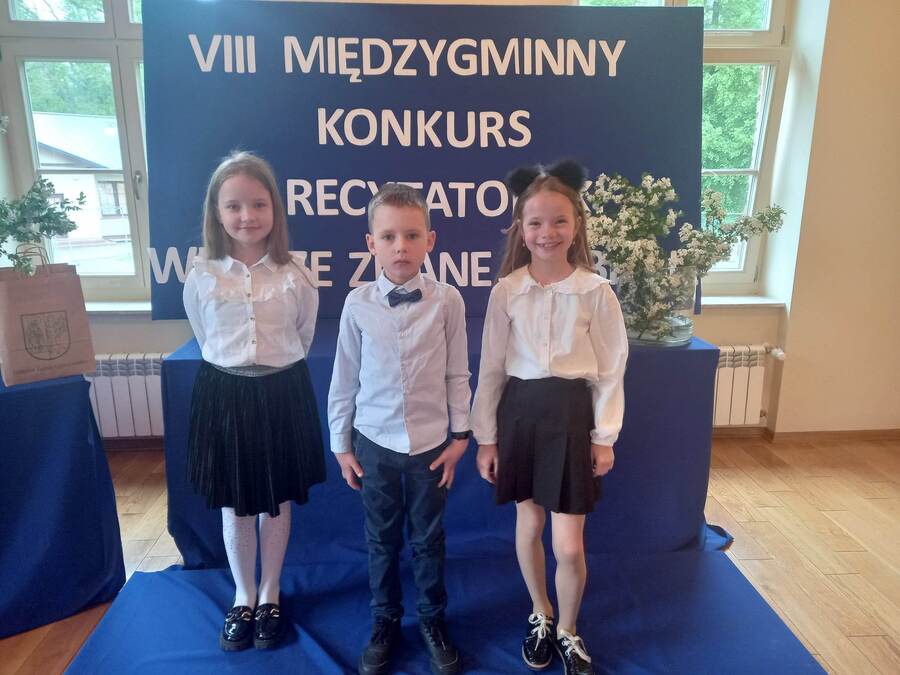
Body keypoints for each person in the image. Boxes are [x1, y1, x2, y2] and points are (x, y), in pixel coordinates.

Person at [471, 160, 628, 675]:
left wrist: (604, 437)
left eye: (559, 220)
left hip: (570, 418)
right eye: (535, 222)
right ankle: (541, 612)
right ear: (520, 228)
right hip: (519, 416)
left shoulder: (595, 291)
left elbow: (610, 370)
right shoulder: (506, 290)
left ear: (576, 225)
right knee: (529, 522)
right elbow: (491, 368)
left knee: (568, 544)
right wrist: (486, 438)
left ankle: (569, 630)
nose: (547, 232)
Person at [182, 150, 326, 651]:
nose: (247, 216)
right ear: (217, 213)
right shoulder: (202, 274)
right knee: (236, 504)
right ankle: (243, 595)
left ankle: (271, 592)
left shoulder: (296, 273)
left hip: (282, 391)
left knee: (276, 499)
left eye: (259, 204)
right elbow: (204, 335)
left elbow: (303, 334)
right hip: (224, 393)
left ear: (275, 209)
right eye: (234, 206)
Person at [328, 183, 471, 675]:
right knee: (381, 539)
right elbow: (344, 378)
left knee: (429, 539)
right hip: (374, 442)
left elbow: (457, 373)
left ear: (430, 240)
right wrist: (341, 445)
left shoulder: (448, 301)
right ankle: (385, 620)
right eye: (388, 236)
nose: (401, 247)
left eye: (412, 235)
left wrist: (460, 437)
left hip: (431, 445)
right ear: (372, 244)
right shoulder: (357, 304)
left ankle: (432, 619)